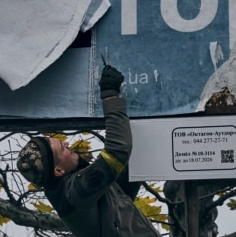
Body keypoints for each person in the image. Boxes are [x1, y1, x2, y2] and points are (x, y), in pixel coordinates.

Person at [16, 65, 160, 237]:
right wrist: (110, 96)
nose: (68, 145)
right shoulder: (76, 192)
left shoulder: (80, 194)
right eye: (62, 148)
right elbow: (116, 152)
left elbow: (120, 193)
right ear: (58, 170)